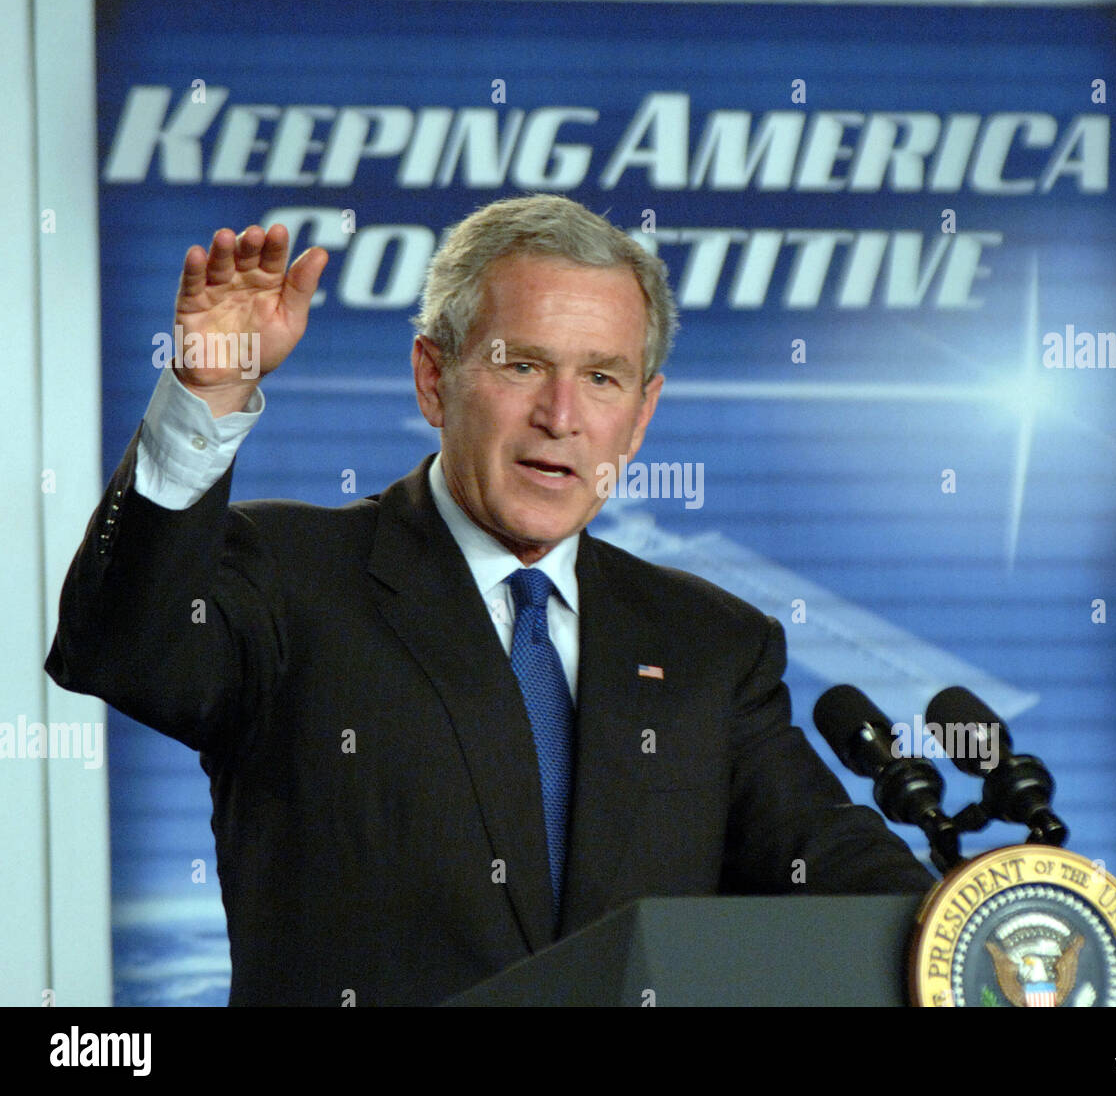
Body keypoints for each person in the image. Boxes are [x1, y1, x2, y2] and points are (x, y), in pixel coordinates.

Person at [46, 194, 933, 1006]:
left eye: (602, 377)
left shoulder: (709, 642)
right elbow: (121, 644)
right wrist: (209, 394)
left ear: (642, 414)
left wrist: (983, 926)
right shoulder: (291, 577)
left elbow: (833, 865)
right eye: (523, 366)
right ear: (435, 379)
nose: (561, 415)